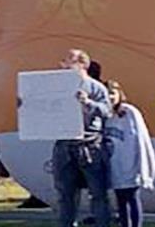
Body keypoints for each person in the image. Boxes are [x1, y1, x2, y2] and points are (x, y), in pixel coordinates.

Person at [51, 49, 112, 227]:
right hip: (63, 146)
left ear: (82, 64)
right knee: (65, 194)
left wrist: (88, 103)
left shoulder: (96, 87)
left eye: (68, 60)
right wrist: (28, 104)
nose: (63, 64)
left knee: (98, 193)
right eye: (63, 61)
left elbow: (107, 111)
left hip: (90, 146)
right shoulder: (55, 88)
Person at [103, 80, 155, 227]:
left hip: (130, 163)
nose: (110, 97)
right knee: (120, 200)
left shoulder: (129, 112)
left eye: (112, 93)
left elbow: (141, 137)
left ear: (119, 94)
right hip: (114, 165)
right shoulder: (103, 114)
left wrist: (142, 164)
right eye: (106, 94)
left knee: (132, 197)